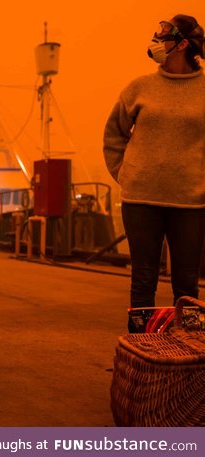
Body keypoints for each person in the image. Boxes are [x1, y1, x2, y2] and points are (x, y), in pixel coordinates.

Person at [103, 14, 205, 332]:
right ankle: (141, 344)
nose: (157, 43)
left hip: (191, 202)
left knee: (187, 282)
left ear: (184, 44)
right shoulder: (139, 88)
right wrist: (126, 173)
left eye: (164, 38)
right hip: (140, 199)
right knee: (143, 278)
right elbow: (114, 135)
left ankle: (192, 347)